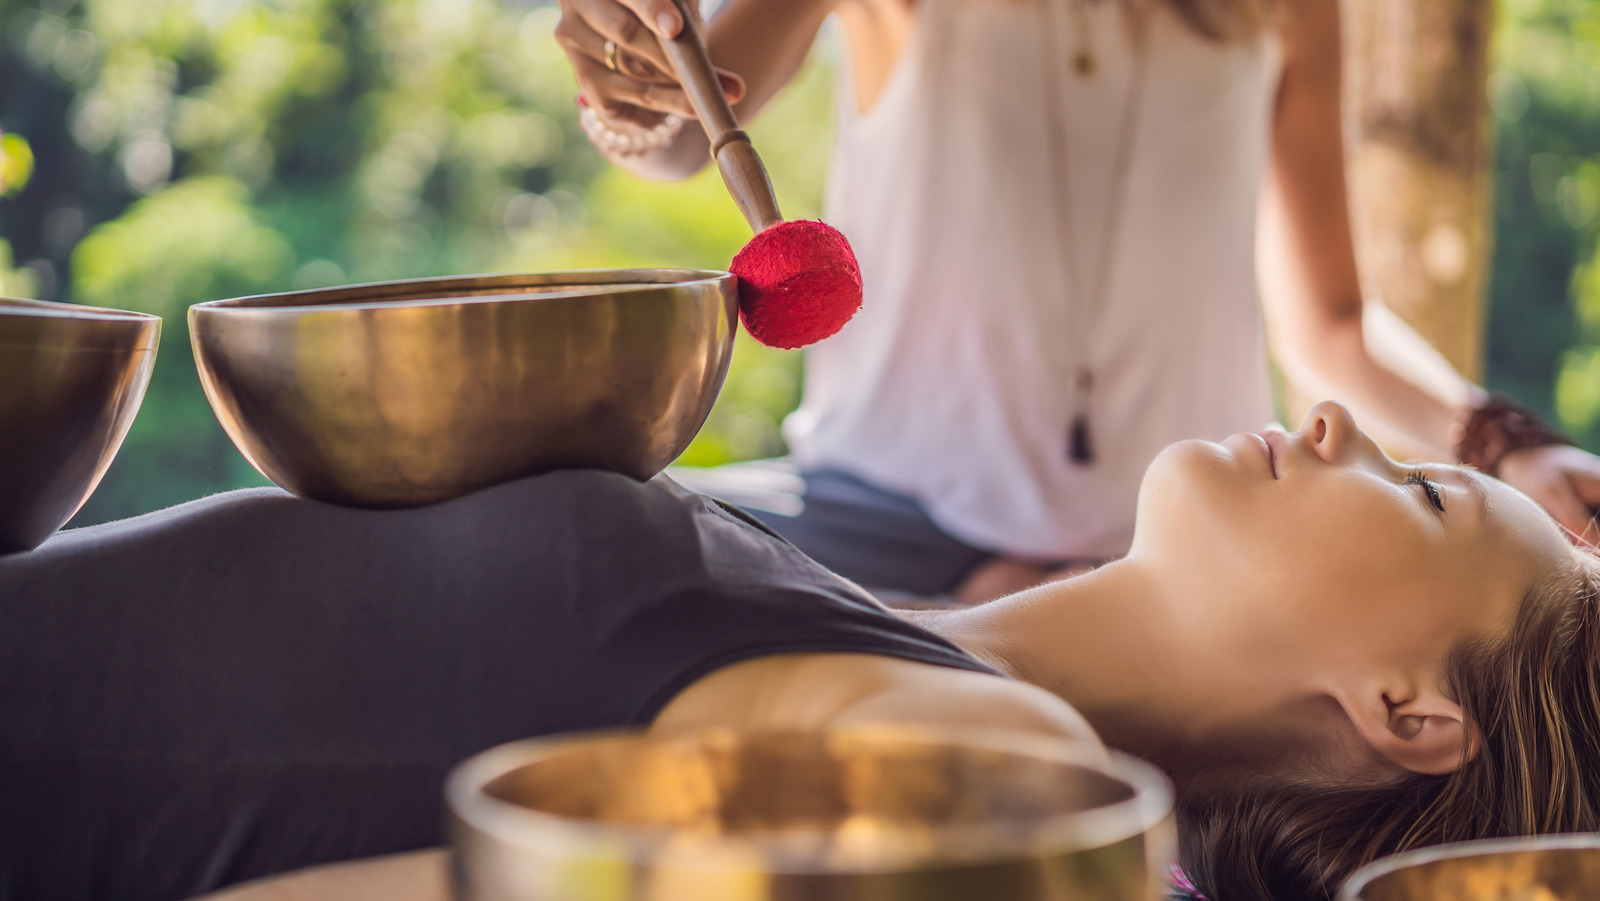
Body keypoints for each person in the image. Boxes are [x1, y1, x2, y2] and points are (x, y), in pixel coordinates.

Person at [3, 401, 1597, 901]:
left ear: (1411, 713)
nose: (1334, 419)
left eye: (1424, 490)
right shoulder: (892, 635)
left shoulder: (999, 792)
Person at [553, 0, 1600, 601]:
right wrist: (623, 73)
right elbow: (686, 128)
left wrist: (1506, 444)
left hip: (1181, 557)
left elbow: (1329, 326)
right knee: (575, 546)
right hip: (875, 520)